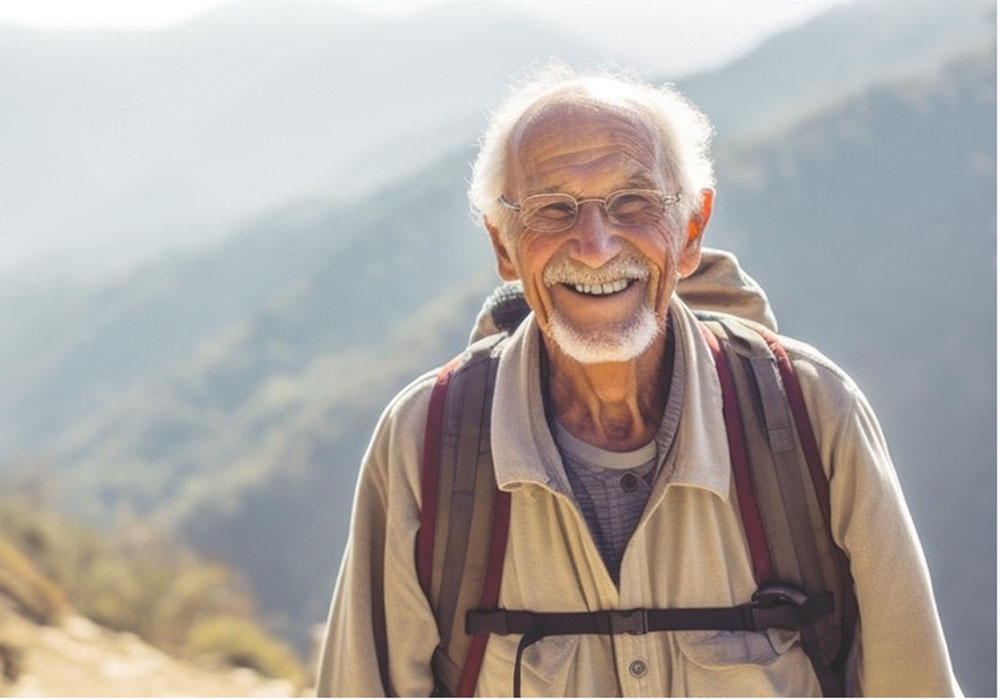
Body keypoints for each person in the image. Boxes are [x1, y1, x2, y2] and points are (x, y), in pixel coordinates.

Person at [315, 68, 960, 697]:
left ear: (691, 230)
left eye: (634, 202)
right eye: (552, 209)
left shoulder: (813, 415)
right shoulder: (425, 444)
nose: (595, 246)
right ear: (503, 245)